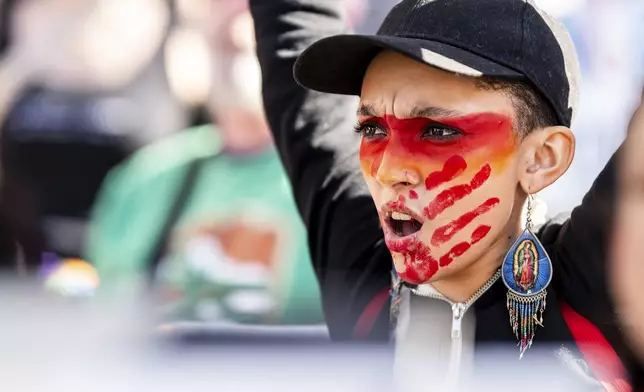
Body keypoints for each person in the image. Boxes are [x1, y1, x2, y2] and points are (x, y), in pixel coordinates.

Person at [249, 0, 643, 389]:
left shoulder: (603, 275)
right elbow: (291, 22)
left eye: (437, 130)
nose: (387, 169)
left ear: (541, 158)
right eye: (372, 129)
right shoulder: (359, 262)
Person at [86, 1, 323, 325]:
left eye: (260, 10)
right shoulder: (145, 178)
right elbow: (101, 323)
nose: (237, 26)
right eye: (219, 5)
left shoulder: (345, 180)